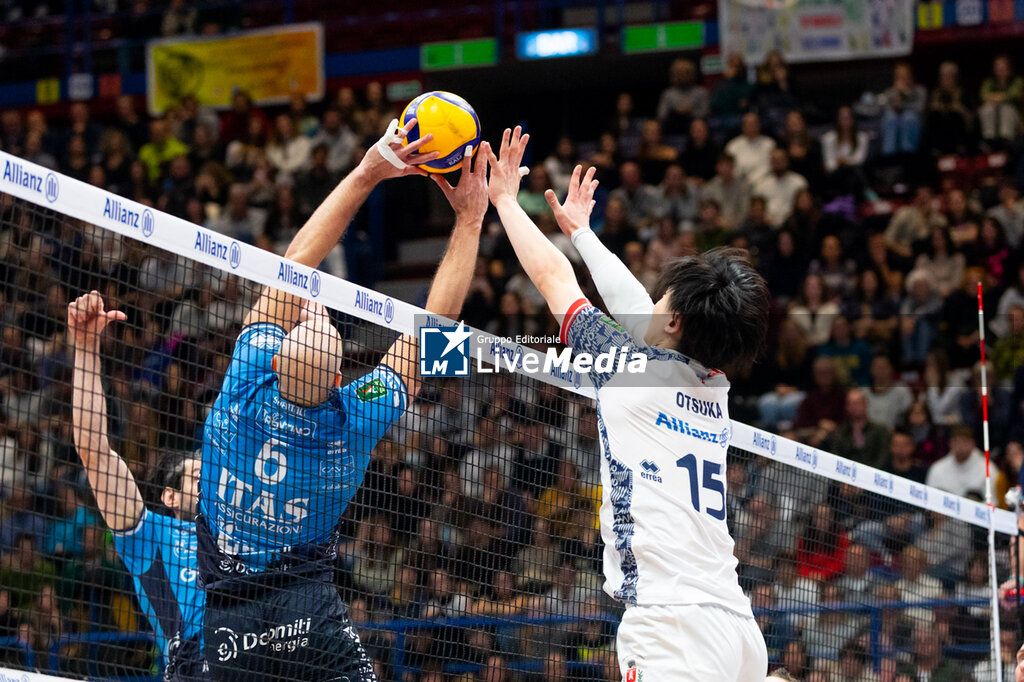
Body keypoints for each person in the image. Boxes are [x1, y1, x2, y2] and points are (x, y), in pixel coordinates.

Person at [196, 120, 488, 682]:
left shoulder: (242, 389)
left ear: (274, 359)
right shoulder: (355, 418)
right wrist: (471, 220)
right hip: (310, 618)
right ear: (339, 381)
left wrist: (367, 171)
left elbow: (298, 258)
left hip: (228, 629)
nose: (315, 309)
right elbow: (437, 329)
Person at [484, 126, 769, 680]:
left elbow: (554, 278)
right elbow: (640, 311)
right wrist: (582, 232)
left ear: (675, 321)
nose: (650, 301)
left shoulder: (628, 369)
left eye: (663, 297)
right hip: (737, 626)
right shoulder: (713, 384)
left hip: (670, 626)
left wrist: (505, 202)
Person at [68, 291, 205, 680]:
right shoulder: (150, 536)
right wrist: (85, 347)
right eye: (198, 478)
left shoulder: (237, 532)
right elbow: (94, 452)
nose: (209, 485)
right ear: (170, 495)